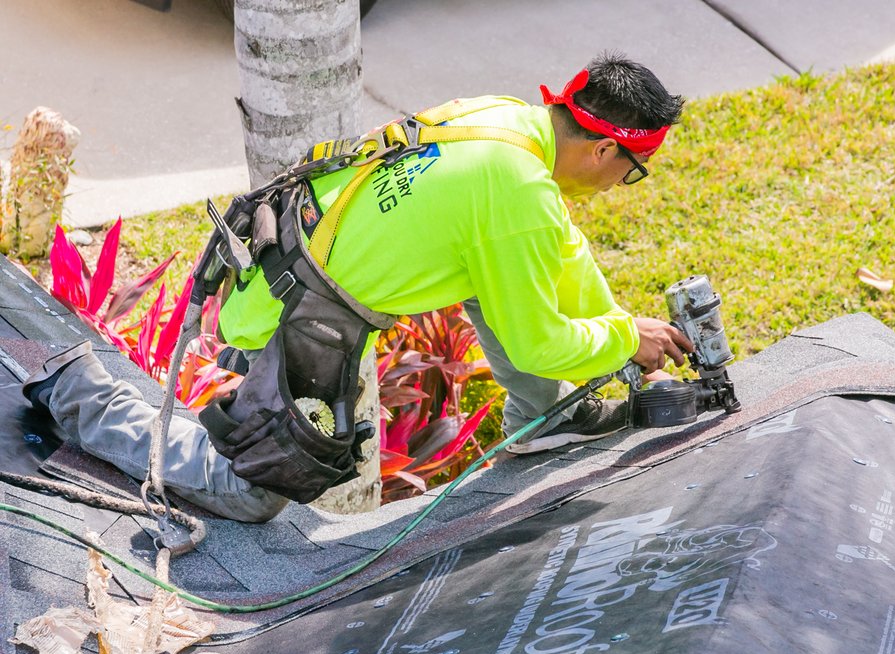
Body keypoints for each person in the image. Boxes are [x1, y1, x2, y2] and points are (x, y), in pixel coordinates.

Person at [23, 51, 693, 522]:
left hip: (286, 260)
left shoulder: (511, 124)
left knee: (498, 276)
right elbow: (540, 343)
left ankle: (551, 418)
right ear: (606, 150)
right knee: (248, 494)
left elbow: (560, 254)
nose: (619, 186)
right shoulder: (518, 195)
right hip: (287, 321)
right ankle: (80, 395)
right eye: (632, 172)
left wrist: (616, 316)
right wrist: (626, 337)